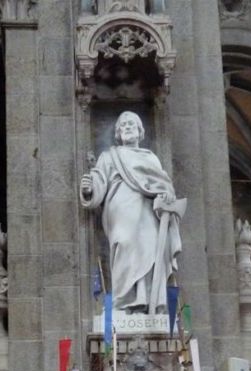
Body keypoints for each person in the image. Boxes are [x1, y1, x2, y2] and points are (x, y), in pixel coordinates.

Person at [80, 111, 186, 315]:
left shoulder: (151, 158)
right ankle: (123, 300)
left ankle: (147, 302)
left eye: (132, 124)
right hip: (120, 209)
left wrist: (166, 197)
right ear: (118, 133)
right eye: (123, 125)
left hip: (148, 213)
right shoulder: (109, 156)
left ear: (140, 132)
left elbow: (164, 186)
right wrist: (88, 189)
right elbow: (99, 182)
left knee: (150, 251)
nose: (127, 127)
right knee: (124, 243)